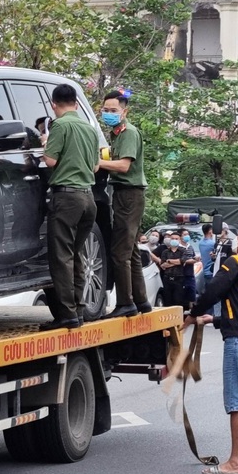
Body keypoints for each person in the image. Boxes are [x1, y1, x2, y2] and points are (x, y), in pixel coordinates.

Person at [181, 222, 238, 474]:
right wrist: (217, 320)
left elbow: (212, 291)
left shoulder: (235, 263)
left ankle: (234, 462)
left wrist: (192, 315)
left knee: (237, 404)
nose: (237, 237)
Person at [39, 83, 99, 331]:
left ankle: (67, 315)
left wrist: (45, 142)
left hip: (66, 198)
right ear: (75, 102)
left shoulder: (60, 125)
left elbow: (50, 160)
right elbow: (95, 167)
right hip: (88, 199)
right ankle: (79, 309)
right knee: (75, 254)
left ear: (54, 105)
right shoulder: (89, 127)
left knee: (61, 257)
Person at [98, 88, 151, 318]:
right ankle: (141, 301)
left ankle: (125, 303)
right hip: (125, 193)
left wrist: (97, 162)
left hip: (129, 194)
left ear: (124, 111)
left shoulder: (128, 132)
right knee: (131, 252)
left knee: (120, 252)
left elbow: (124, 166)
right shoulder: (116, 133)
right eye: (106, 110)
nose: (108, 113)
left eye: (114, 110)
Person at [160, 231, 187, 307]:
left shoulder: (183, 251)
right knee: (167, 301)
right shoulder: (165, 252)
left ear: (180, 240)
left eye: (176, 238)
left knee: (178, 300)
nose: (174, 240)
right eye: (172, 238)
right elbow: (163, 265)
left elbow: (182, 261)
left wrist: (169, 261)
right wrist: (177, 262)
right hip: (167, 278)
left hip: (179, 278)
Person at [178, 227, 199, 311]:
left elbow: (192, 257)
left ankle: (192, 313)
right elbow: (183, 260)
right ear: (180, 236)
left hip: (190, 274)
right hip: (181, 275)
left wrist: (195, 258)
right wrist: (194, 260)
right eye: (185, 234)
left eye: (188, 234)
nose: (187, 236)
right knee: (182, 296)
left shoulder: (190, 247)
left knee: (192, 295)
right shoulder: (178, 248)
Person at [198, 223, 215, 314]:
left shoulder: (201, 243)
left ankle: (205, 311)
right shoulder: (212, 244)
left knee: (207, 292)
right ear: (210, 231)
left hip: (205, 271)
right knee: (212, 293)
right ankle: (209, 313)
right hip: (211, 271)